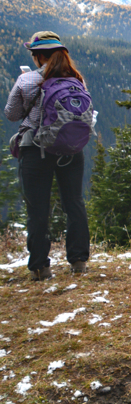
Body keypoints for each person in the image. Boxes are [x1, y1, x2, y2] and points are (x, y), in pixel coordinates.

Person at [4, 31, 90, 281]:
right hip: (72, 149)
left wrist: (23, 88)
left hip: (36, 150)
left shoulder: (27, 80)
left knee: (38, 209)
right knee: (74, 203)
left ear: (39, 56)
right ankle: (79, 261)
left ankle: (41, 268)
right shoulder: (76, 79)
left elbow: (11, 114)